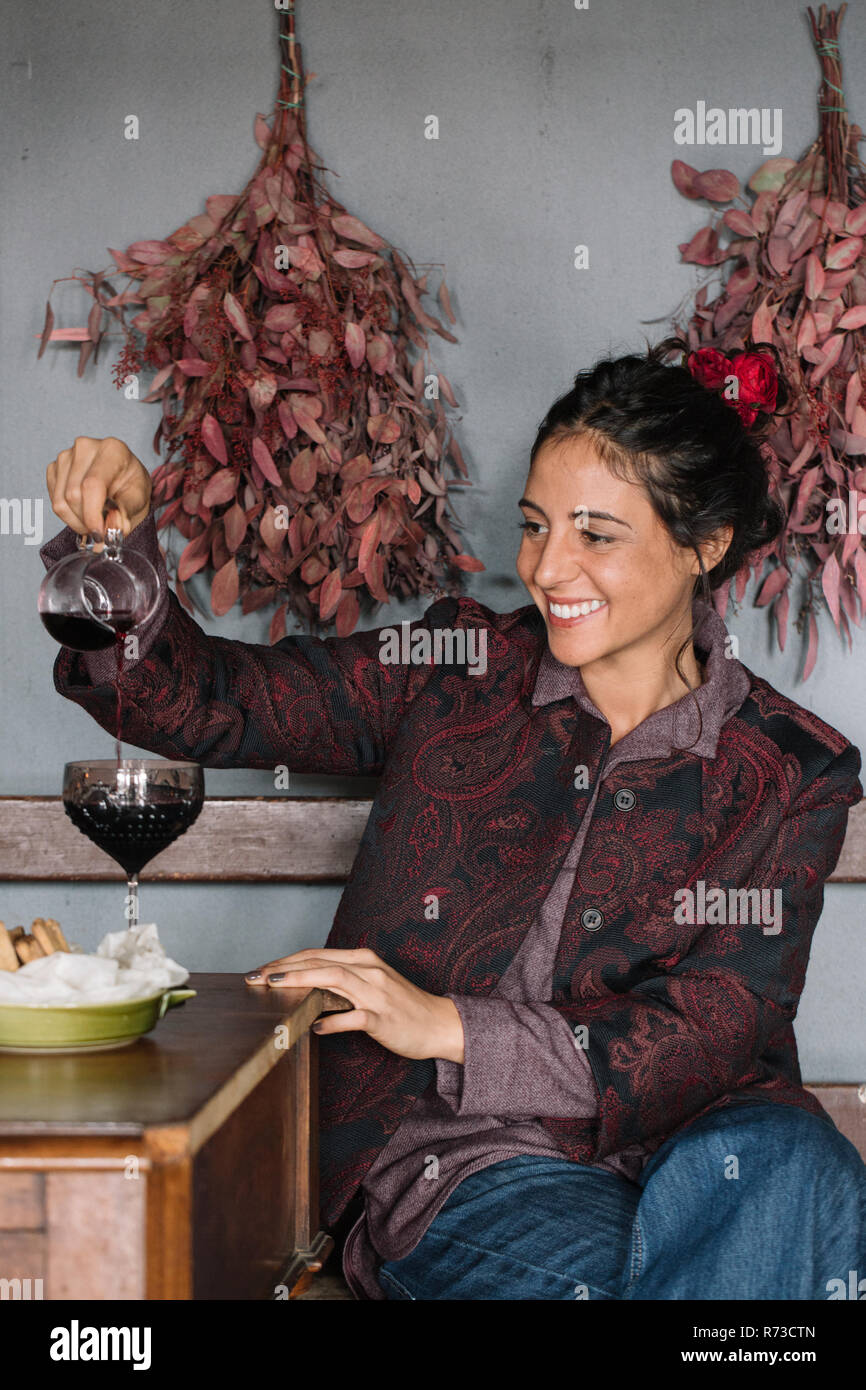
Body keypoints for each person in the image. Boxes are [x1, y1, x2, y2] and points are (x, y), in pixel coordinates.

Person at [42, 338, 866, 1300]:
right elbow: (208, 701)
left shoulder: (793, 768)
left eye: (596, 534)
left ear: (705, 543)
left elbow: (717, 1026)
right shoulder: (454, 669)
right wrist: (115, 552)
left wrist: (451, 1026)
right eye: (535, 525)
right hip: (469, 1168)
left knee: (797, 1168)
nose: (548, 567)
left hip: (715, 1152)